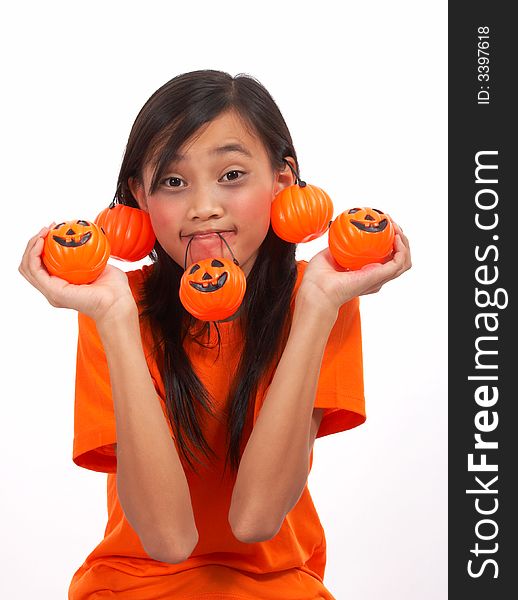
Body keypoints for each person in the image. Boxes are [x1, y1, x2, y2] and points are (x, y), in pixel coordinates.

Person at [18, 69, 412, 599]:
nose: (204, 206)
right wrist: (113, 319)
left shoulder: (322, 294)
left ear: (282, 179)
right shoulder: (115, 304)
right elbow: (167, 538)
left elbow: (256, 518)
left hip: (279, 587)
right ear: (139, 194)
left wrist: (318, 306)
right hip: (132, 586)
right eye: (173, 182)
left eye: (231, 174)